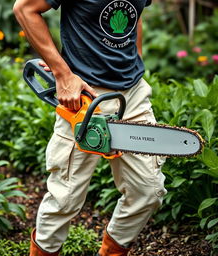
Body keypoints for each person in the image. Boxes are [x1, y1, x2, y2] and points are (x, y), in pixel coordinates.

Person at [13, 0, 167, 255]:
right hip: (86, 97)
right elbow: (25, 8)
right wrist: (61, 73)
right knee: (65, 197)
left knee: (148, 191)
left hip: (133, 94)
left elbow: (134, 16)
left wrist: (135, 61)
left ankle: (112, 251)